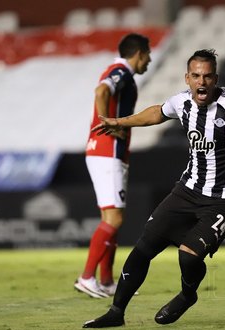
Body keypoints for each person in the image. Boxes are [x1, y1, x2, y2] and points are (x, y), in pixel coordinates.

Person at [82, 49, 225, 328]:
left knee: (187, 255)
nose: (202, 82)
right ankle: (116, 313)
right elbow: (157, 113)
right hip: (187, 190)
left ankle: (187, 295)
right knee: (144, 247)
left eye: (208, 76)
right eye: (196, 76)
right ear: (187, 78)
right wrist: (120, 122)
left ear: (216, 78)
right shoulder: (182, 102)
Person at [74, 33, 152, 298]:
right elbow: (101, 91)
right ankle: (86, 277)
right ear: (139, 53)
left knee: (111, 219)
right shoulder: (120, 71)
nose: (149, 61)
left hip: (105, 152)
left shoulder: (118, 71)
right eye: (148, 55)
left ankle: (106, 281)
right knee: (115, 218)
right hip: (108, 151)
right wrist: (107, 121)